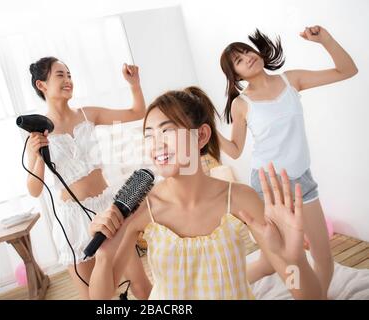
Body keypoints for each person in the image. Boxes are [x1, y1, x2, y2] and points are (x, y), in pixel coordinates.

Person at [88, 87, 322, 300]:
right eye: (149, 135)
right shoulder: (141, 208)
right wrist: (104, 256)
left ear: (201, 136)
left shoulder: (241, 199)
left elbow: (306, 294)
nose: (156, 145)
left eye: (166, 131)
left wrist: (295, 260)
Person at [218, 26, 358, 298]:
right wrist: (208, 133)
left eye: (247, 51)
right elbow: (235, 150)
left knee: (323, 256)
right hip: (269, 187)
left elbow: (347, 70)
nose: (247, 57)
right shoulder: (242, 104)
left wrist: (325, 40)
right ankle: (220, 287)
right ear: (235, 75)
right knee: (281, 261)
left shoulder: (291, 80)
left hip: (302, 181)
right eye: (238, 60)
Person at [26, 56, 151, 299]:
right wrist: (38, 155)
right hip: (73, 219)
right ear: (42, 85)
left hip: (108, 209)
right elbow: (33, 189)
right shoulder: (37, 132)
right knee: (95, 298)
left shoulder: (87, 114)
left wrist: (134, 84)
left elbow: (138, 112)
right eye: (60, 75)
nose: (68, 80)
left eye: (70, 75)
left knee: (142, 287)